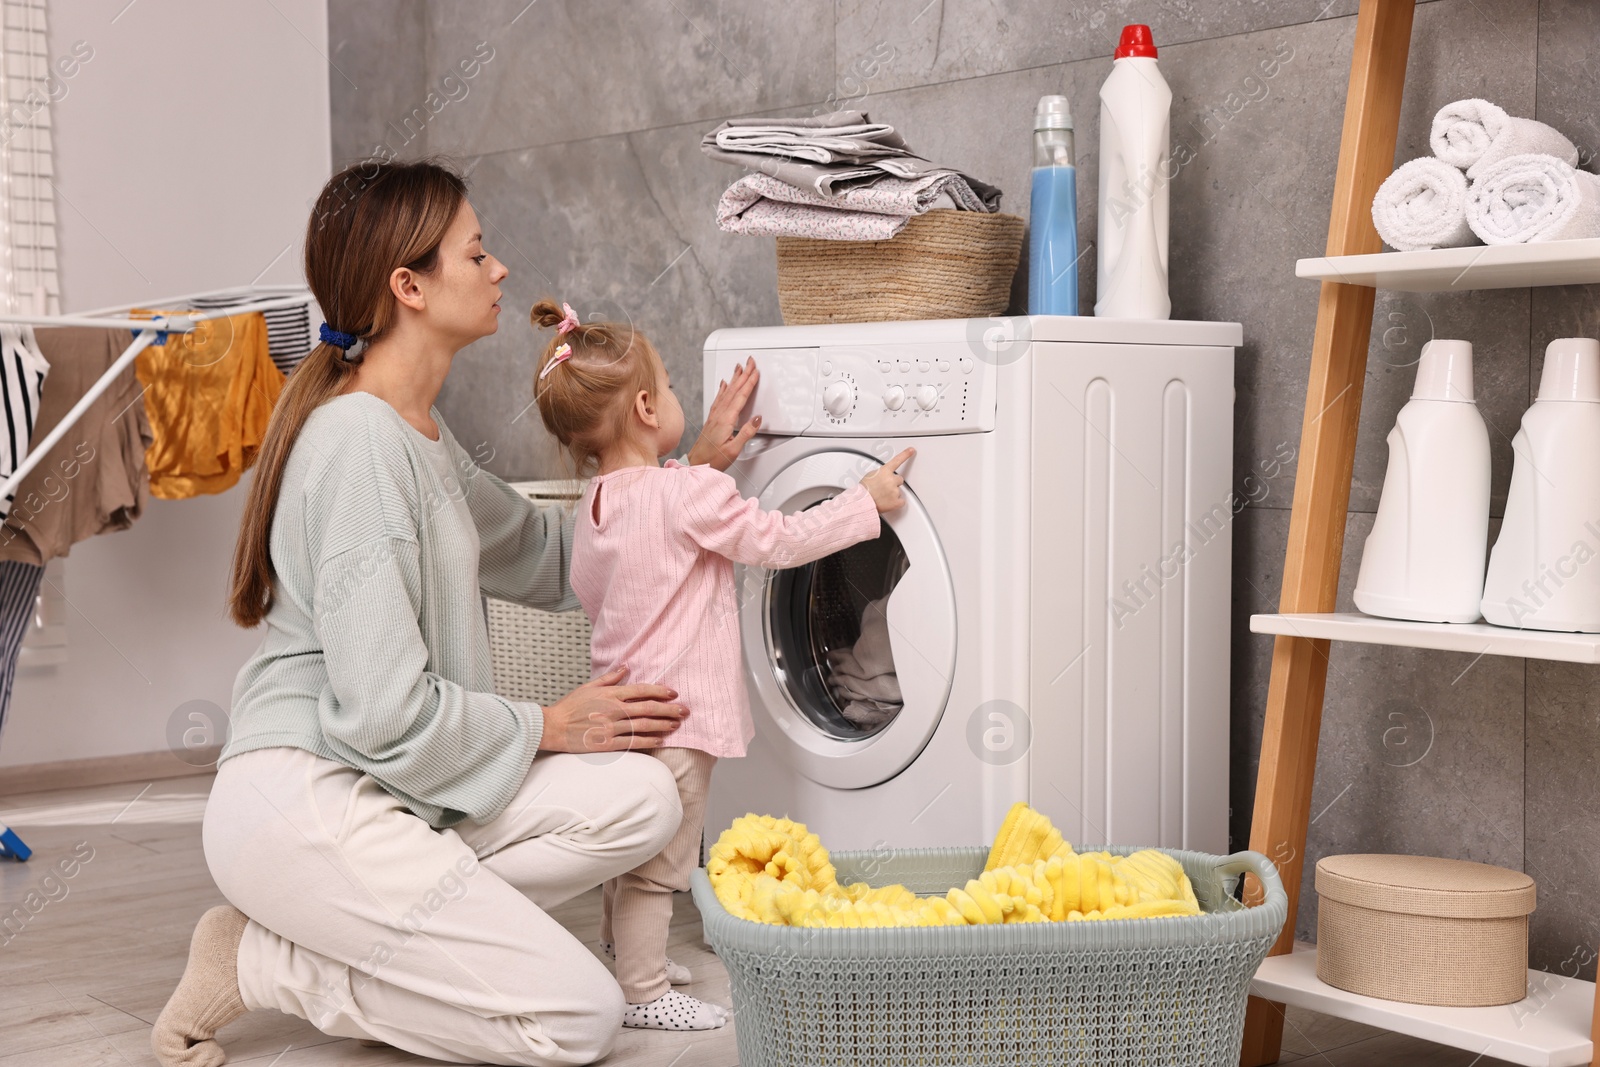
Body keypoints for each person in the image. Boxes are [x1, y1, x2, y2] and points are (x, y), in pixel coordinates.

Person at [150, 158, 765, 1067]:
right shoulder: (359, 448)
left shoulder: (423, 438)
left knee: (643, 797)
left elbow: (569, 561)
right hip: (308, 794)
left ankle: (364, 930)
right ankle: (271, 960)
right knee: (578, 1019)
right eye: (476, 254)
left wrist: (688, 475)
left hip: (396, 784)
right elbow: (386, 713)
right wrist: (549, 724)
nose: (501, 270)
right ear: (409, 286)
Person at [528, 298, 914, 1030]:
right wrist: (861, 504)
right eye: (671, 387)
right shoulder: (686, 492)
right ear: (646, 407)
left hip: (623, 708)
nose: (678, 399)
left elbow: (599, 582)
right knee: (663, 861)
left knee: (629, 844)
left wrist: (702, 467)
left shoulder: (597, 506)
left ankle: (623, 950)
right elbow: (776, 541)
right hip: (683, 714)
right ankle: (644, 993)